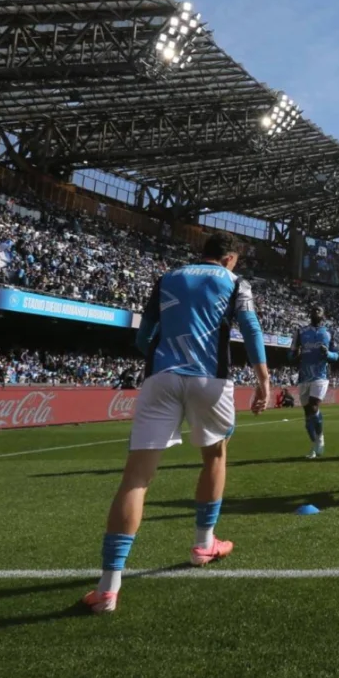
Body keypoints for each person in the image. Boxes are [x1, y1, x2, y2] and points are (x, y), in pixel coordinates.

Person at [83, 231, 270, 615]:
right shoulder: (236, 282)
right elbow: (250, 329)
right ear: (230, 258)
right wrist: (263, 379)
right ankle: (204, 545)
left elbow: (144, 334)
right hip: (209, 380)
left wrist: (157, 355)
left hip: (161, 377)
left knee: (135, 479)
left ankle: (107, 588)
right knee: (214, 458)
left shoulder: (168, 277)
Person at [290, 303, 339, 459]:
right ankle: (314, 443)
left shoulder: (330, 332)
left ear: (323, 315)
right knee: (307, 416)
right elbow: (290, 355)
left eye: (319, 310)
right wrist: (295, 354)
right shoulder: (300, 332)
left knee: (313, 407)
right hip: (304, 376)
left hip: (321, 375)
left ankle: (320, 439)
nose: (315, 311)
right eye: (313, 310)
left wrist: (328, 354)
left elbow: (337, 356)